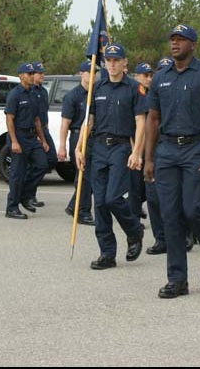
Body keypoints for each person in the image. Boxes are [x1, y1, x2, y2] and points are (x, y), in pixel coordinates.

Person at [144, 24, 200, 299]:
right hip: (167, 150)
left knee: (193, 209)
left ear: (193, 44)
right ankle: (178, 279)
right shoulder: (160, 78)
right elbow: (153, 119)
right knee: (170, 215)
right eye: (172, 39)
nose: (175, 43)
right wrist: (148, 158)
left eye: (181, 39)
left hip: (197, 149)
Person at [76, 44, 146, 271]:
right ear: (104, 62)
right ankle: (107, 253)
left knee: (113, 197)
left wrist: (137, 152)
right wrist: (79, 148)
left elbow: (140, 122)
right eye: (109, 60)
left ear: (125, 62)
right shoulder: (97, 88)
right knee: (100, 204)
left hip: (121, 147)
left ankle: (134, 230)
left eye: (117, 60)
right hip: (98, 147)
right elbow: (89, 120)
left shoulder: (134, 88)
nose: (112, 64)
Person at [4, 62, 49, 219]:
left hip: (32, 137)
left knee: (43, 164)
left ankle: (25, 194)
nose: (31, 76)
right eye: (29, 74)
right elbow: (9, 119)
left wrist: (43, 140)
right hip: (19, 136)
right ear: (21, 76)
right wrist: (14, 141)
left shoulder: (33, 94)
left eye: (33, 73)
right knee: (17, 173)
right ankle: (12, 207)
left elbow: (37, 119)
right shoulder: (15, 94)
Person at [57, 60, 95, 225]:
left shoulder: (96, 93)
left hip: (93, 138)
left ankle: (74, 206)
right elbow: (65, 123)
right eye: (89, 72)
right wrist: (62, 146)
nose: (92, 75)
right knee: (85, 175)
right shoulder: (72, 96)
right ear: (81, 73)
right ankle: (83, 211)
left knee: (89, 175)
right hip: (78, 138)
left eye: (94, 72)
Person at [127, 62, 154, 222]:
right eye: (145, 76)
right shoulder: (130, 93)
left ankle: (130, 206)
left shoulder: (150, 95)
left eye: (151, 76)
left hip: (149, 145)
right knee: (135, 185)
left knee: (147, 185)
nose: (149, 79)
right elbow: (131, 126)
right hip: (134, 146)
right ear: (136, 76)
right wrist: (135, 151)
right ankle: (134, 217)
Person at [27, 61, 55, 208]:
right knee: (39, 163)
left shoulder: (43, 91)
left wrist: (46, 129)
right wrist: (38, 135)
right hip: (35, 131)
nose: (42, 75)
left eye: (43, 72)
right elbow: (32, 116)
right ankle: (29, 194)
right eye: (40, 73)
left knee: (51, 159)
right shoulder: (30, 91)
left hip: (44, 129)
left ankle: (30, 191)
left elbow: (43, 112)